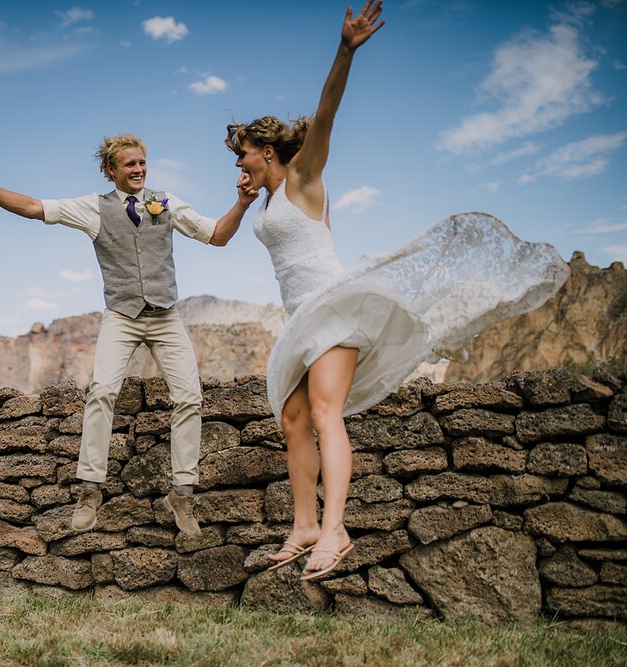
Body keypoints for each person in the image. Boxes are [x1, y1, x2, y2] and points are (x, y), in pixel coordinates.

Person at [225, 1, 568, 581]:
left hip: (336, 306)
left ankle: (336, 531)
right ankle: (305, 524)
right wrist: (243, 197)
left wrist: (345, 50)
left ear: (267, 150)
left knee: (327, 412)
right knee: (292, 418)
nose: (239, 164)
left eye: (244, 156)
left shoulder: (304, 178)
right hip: (302, 315)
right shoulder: (261, 201)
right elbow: (222, 235)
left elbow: (326, 114)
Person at [0, 134, 257, 538]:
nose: (138, 169)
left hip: (165, 316)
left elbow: (217, 235)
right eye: (129, 164)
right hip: (122, 316)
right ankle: (90, 491)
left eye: (142, 162)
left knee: (189, 397)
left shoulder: (166, 202)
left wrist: (243, 203)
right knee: (101, 392)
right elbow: (31, 207)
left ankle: (182, 494)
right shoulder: (93, 208)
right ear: (111, 171)